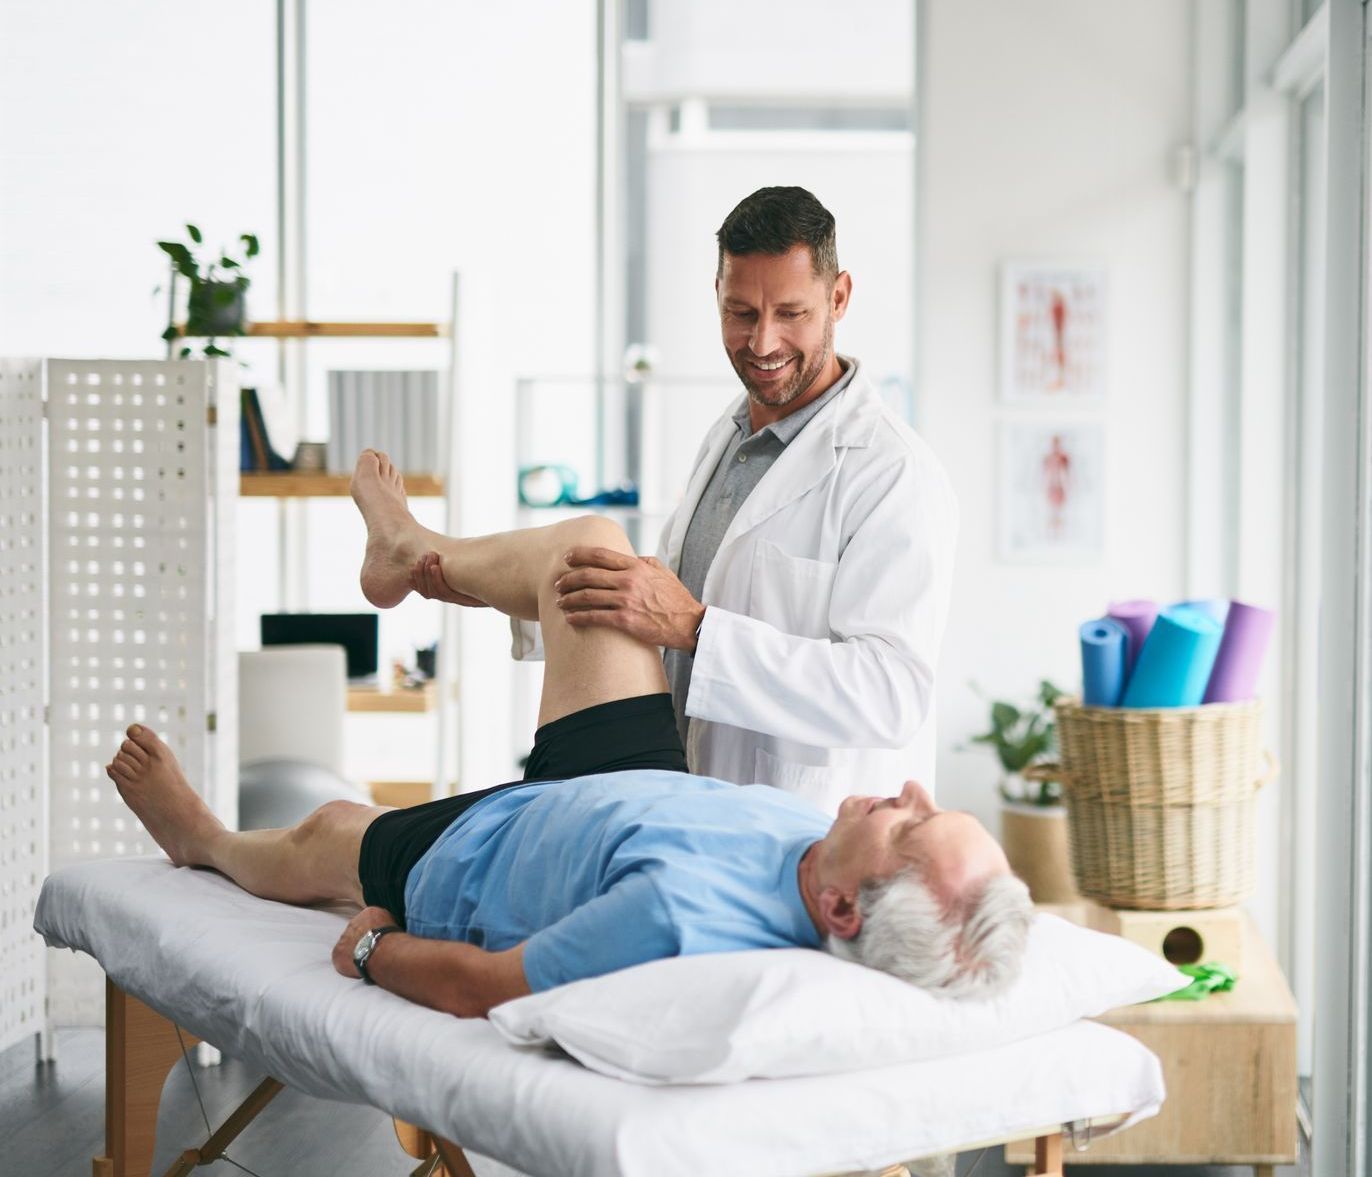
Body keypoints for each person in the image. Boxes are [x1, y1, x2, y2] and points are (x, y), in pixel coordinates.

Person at [104, 452, 1028, 1018]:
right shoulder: (816, 841)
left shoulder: (674, 915)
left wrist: (375, 952)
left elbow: (484, 985)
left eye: (912, 827)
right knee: (593, 555)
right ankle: (409, 550)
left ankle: (203, 840)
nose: (913, 791)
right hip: (631, 782)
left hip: (492, 852)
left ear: (842, 912)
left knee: (328, 830)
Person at [420, 186, 959, 813]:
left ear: (838, 297)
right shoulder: (728, 438)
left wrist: (696, 629)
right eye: (741, 313)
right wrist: (511, 587)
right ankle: (429, 555)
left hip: (801, 825)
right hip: (683, 800)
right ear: (717, 295)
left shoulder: (894, 473)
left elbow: (890, 696)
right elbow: (658, 617)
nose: (763, 343)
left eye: (791, 313)